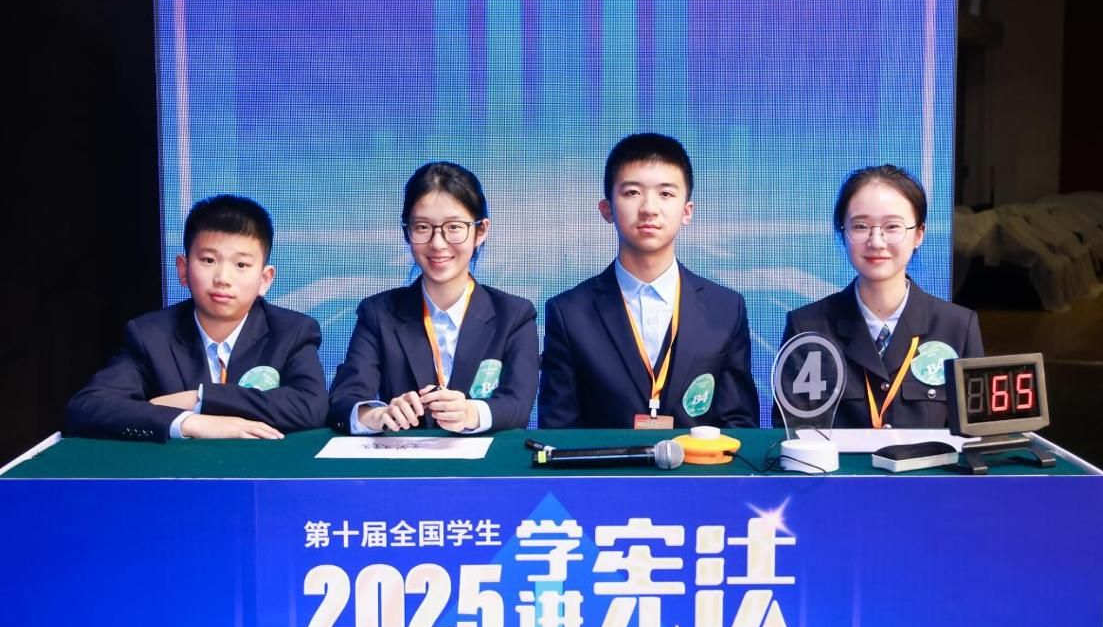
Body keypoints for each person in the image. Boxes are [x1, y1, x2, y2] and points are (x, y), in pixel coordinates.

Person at [538, 133, 760, 429]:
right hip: (605, 461)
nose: (649, 209)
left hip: (697, 461)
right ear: (606, 209)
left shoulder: (726, 308)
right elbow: (559, 430)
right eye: (632, 192)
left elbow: (738, 424)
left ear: (687, 212)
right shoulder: (569, 313)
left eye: (665, 194)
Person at [64, 195, 328, 441]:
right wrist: (187, 422)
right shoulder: (150, 335)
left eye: (241, 265)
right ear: (183, 269)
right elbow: (87, 407)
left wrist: (199, 399)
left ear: (265, 279)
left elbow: (311, 406)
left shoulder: (292, 331)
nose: (223, 278)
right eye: (209, 260)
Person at [328, 162, 538, 434]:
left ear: (481, 231)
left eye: (454, 227)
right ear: (407, 232)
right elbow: (343, 400)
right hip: (404, 459)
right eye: (422, 227)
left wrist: (471, 412)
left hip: (486, 460)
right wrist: (377, 414)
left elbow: (518, 405)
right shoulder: (378, 313)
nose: (438, 243)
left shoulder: (514, 315)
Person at [779, 164, 984, 428]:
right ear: (843, 232)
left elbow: (974, 434)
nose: (876, 241)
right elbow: (794, 434)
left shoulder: (957, 327)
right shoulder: (807, 328)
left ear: (919, 234)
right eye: (861, 226)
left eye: (892, 226)